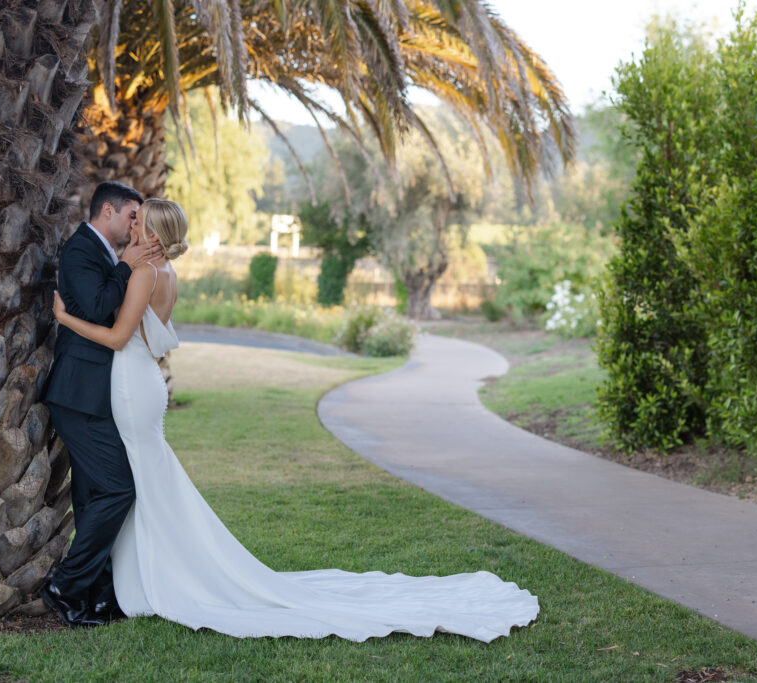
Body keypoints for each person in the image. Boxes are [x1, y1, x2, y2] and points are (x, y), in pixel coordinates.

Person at [51, 198, 539, 641]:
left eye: (139, 220)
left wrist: (65, 317)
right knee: (145, 482)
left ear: (153, 233)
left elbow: (118, 338)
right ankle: (128, 581)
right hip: (144, 383)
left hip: (131, 385)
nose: (131, 222)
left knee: (137, 483)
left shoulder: (142, 274)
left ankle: (128, 581)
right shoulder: (165, 274)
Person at [40, 182, 163, 628]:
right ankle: (65, 587)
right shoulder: (80, 252)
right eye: (131, 215)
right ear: (106, 210)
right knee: (119, 489)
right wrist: (127, 268)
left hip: (98, 393)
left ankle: (97, 596)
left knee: (94, 495)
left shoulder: (110, 255)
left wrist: (127, 266)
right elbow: (94, 308)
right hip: (79, 393)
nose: (136, 224)